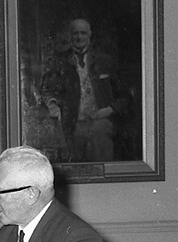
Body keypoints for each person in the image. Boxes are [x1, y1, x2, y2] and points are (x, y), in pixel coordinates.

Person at [40, 17, 129, 163]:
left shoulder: (104, 61)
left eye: (83, 33)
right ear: (70, 36)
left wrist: (111, 109)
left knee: (100, 133)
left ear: (89, 35)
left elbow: (124, 96)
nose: (79, 37)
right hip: (72, 122)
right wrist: (52, 104)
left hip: (100, 121)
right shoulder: (59, 61)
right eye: (75, 33)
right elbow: (47, 89)